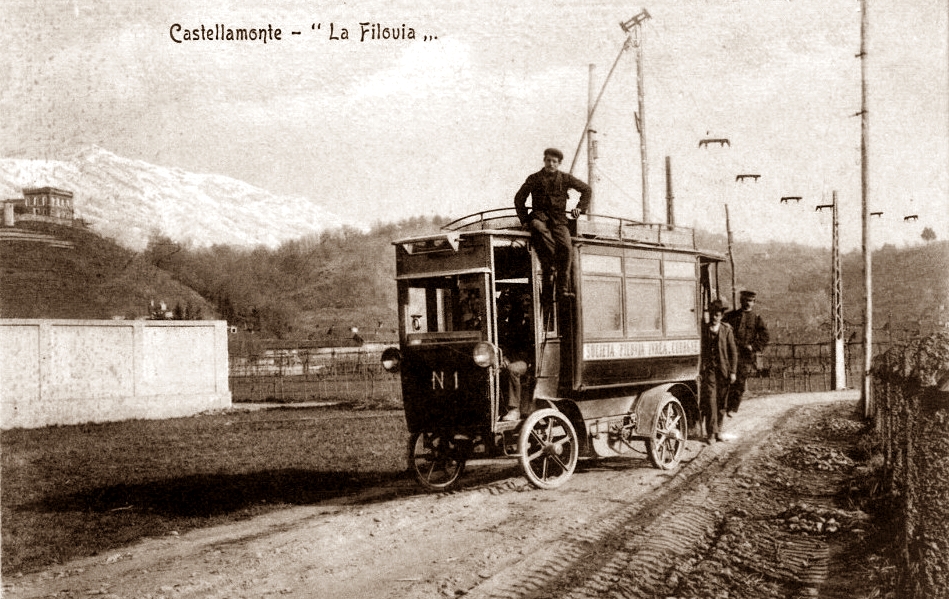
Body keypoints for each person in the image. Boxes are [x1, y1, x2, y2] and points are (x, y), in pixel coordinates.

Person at [514, 148, 592, 298]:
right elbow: (519, 198)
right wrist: (524, 220)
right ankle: (553, 261)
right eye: (548, 160)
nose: (551, 164)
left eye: (554, 161)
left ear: (559, 163)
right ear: (544, 161)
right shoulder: (534, 178)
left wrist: (579, 209)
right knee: (537, 227)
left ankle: (562, 288)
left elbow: (587, 190)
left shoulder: (565, 178)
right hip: (539, 216)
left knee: (567, 248)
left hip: (558, 220)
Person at [723, 290, 770, 415]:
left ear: (754, 302)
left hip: (745, 356)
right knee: (726, 380)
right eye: (745, 300)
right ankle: (723, 406)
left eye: (750, 301)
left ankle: (732, 408)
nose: (747, 303)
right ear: (741, 301)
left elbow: (765, 337)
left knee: (740, 383)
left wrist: (753, 347)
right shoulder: (731, 316)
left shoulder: (756, 318)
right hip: (729, 353)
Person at [701, 299, 738, 443]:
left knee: (722, 402)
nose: (714, 317)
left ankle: (719, 431)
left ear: (721, 316)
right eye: (712, 314)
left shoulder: (726, 330)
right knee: (710, 401)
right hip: (709, 370)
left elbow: (733, 353)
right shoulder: (704, 330)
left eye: (717, 315)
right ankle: (710, 433)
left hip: (724, 371)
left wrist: (733, 372)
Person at [498, 290, 533, 421]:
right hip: (514, 359)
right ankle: (500, 409)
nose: (525, 303)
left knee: (512, 370)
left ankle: (515, 409)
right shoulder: (514, 321)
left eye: (527, 300)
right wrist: (505, 358)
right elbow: (509, 344)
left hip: (527, 361)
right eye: (522, 300)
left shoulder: (533, 321)